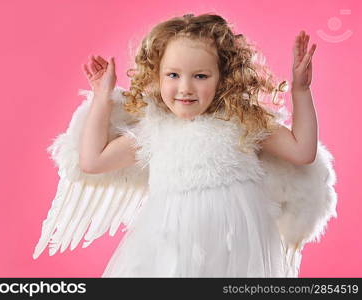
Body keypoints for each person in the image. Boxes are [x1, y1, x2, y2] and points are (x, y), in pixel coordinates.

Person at [33, 13, 337, 277]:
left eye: (201, 76)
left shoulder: (241, 121)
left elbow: (302, 151)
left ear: (223, 78)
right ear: (157, 76)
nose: (185, 88)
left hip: (235, 249)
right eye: (173, 75)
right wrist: (102, 97)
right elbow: (93, 161)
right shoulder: (155, 129)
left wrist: (301, 90)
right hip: (170, 248)